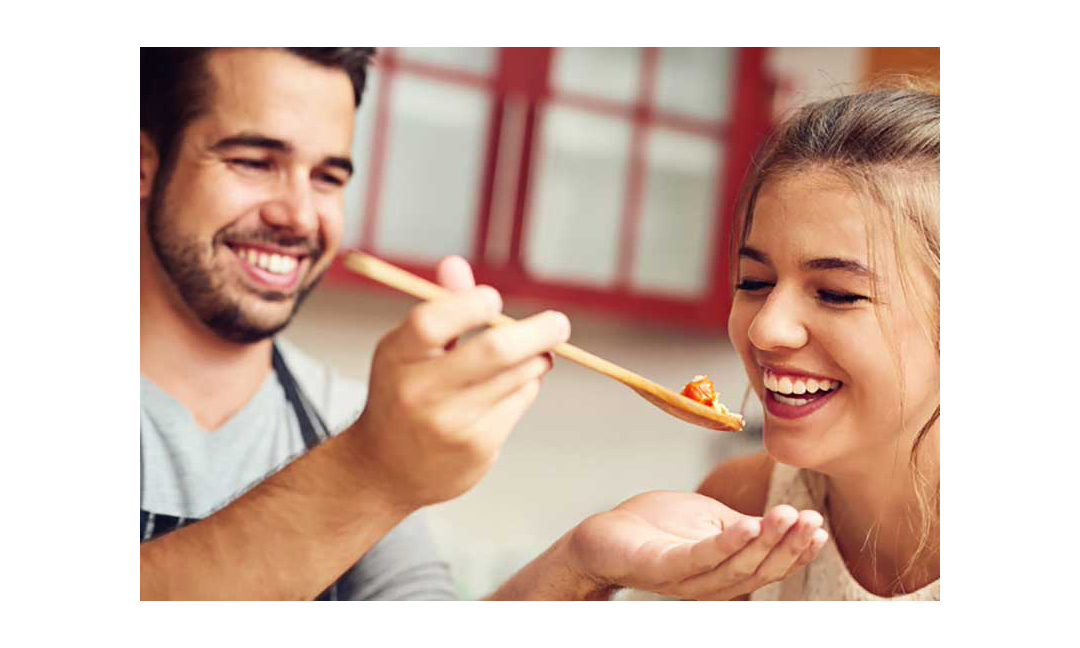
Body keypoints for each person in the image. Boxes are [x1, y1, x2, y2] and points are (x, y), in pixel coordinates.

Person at [139, 47, 829, 600]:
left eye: (328, 177)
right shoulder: (368, 440)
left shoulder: (344, 415)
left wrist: (583, 562)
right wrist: (372, 471)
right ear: (142, 162)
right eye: (253, 162)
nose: (298, 214)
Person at [623, 84, 939, 600]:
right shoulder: (740, 503)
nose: (765, 329)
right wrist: (584, 568)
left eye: (837, 293)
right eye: (753, 282)